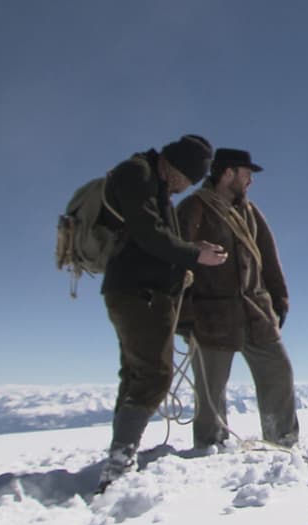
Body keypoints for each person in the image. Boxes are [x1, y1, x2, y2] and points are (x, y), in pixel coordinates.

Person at [98, 135, 229, 492]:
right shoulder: (136, 174)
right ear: (178, 168)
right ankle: (119, 464)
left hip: (145, 294)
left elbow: (157, 241)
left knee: (137, 374)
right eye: (189, 179)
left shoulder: (153, 184)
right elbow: (148, 234)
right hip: (137, 294)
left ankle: (120, 456)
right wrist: (194, 254)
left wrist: (189, 254)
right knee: (154, 374)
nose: (187, 188)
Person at [176, 148, 300, 450]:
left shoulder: (250, 212)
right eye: (246, 174)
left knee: (278, 372)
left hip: (257, 312)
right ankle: (210, 447)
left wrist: (279, 299)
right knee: (210, 390)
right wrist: (183, 316)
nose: (250, 182)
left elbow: (268, 257)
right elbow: (174, 256)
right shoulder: (193, 207)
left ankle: (282, 442)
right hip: (210, 315)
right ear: (228, 173)